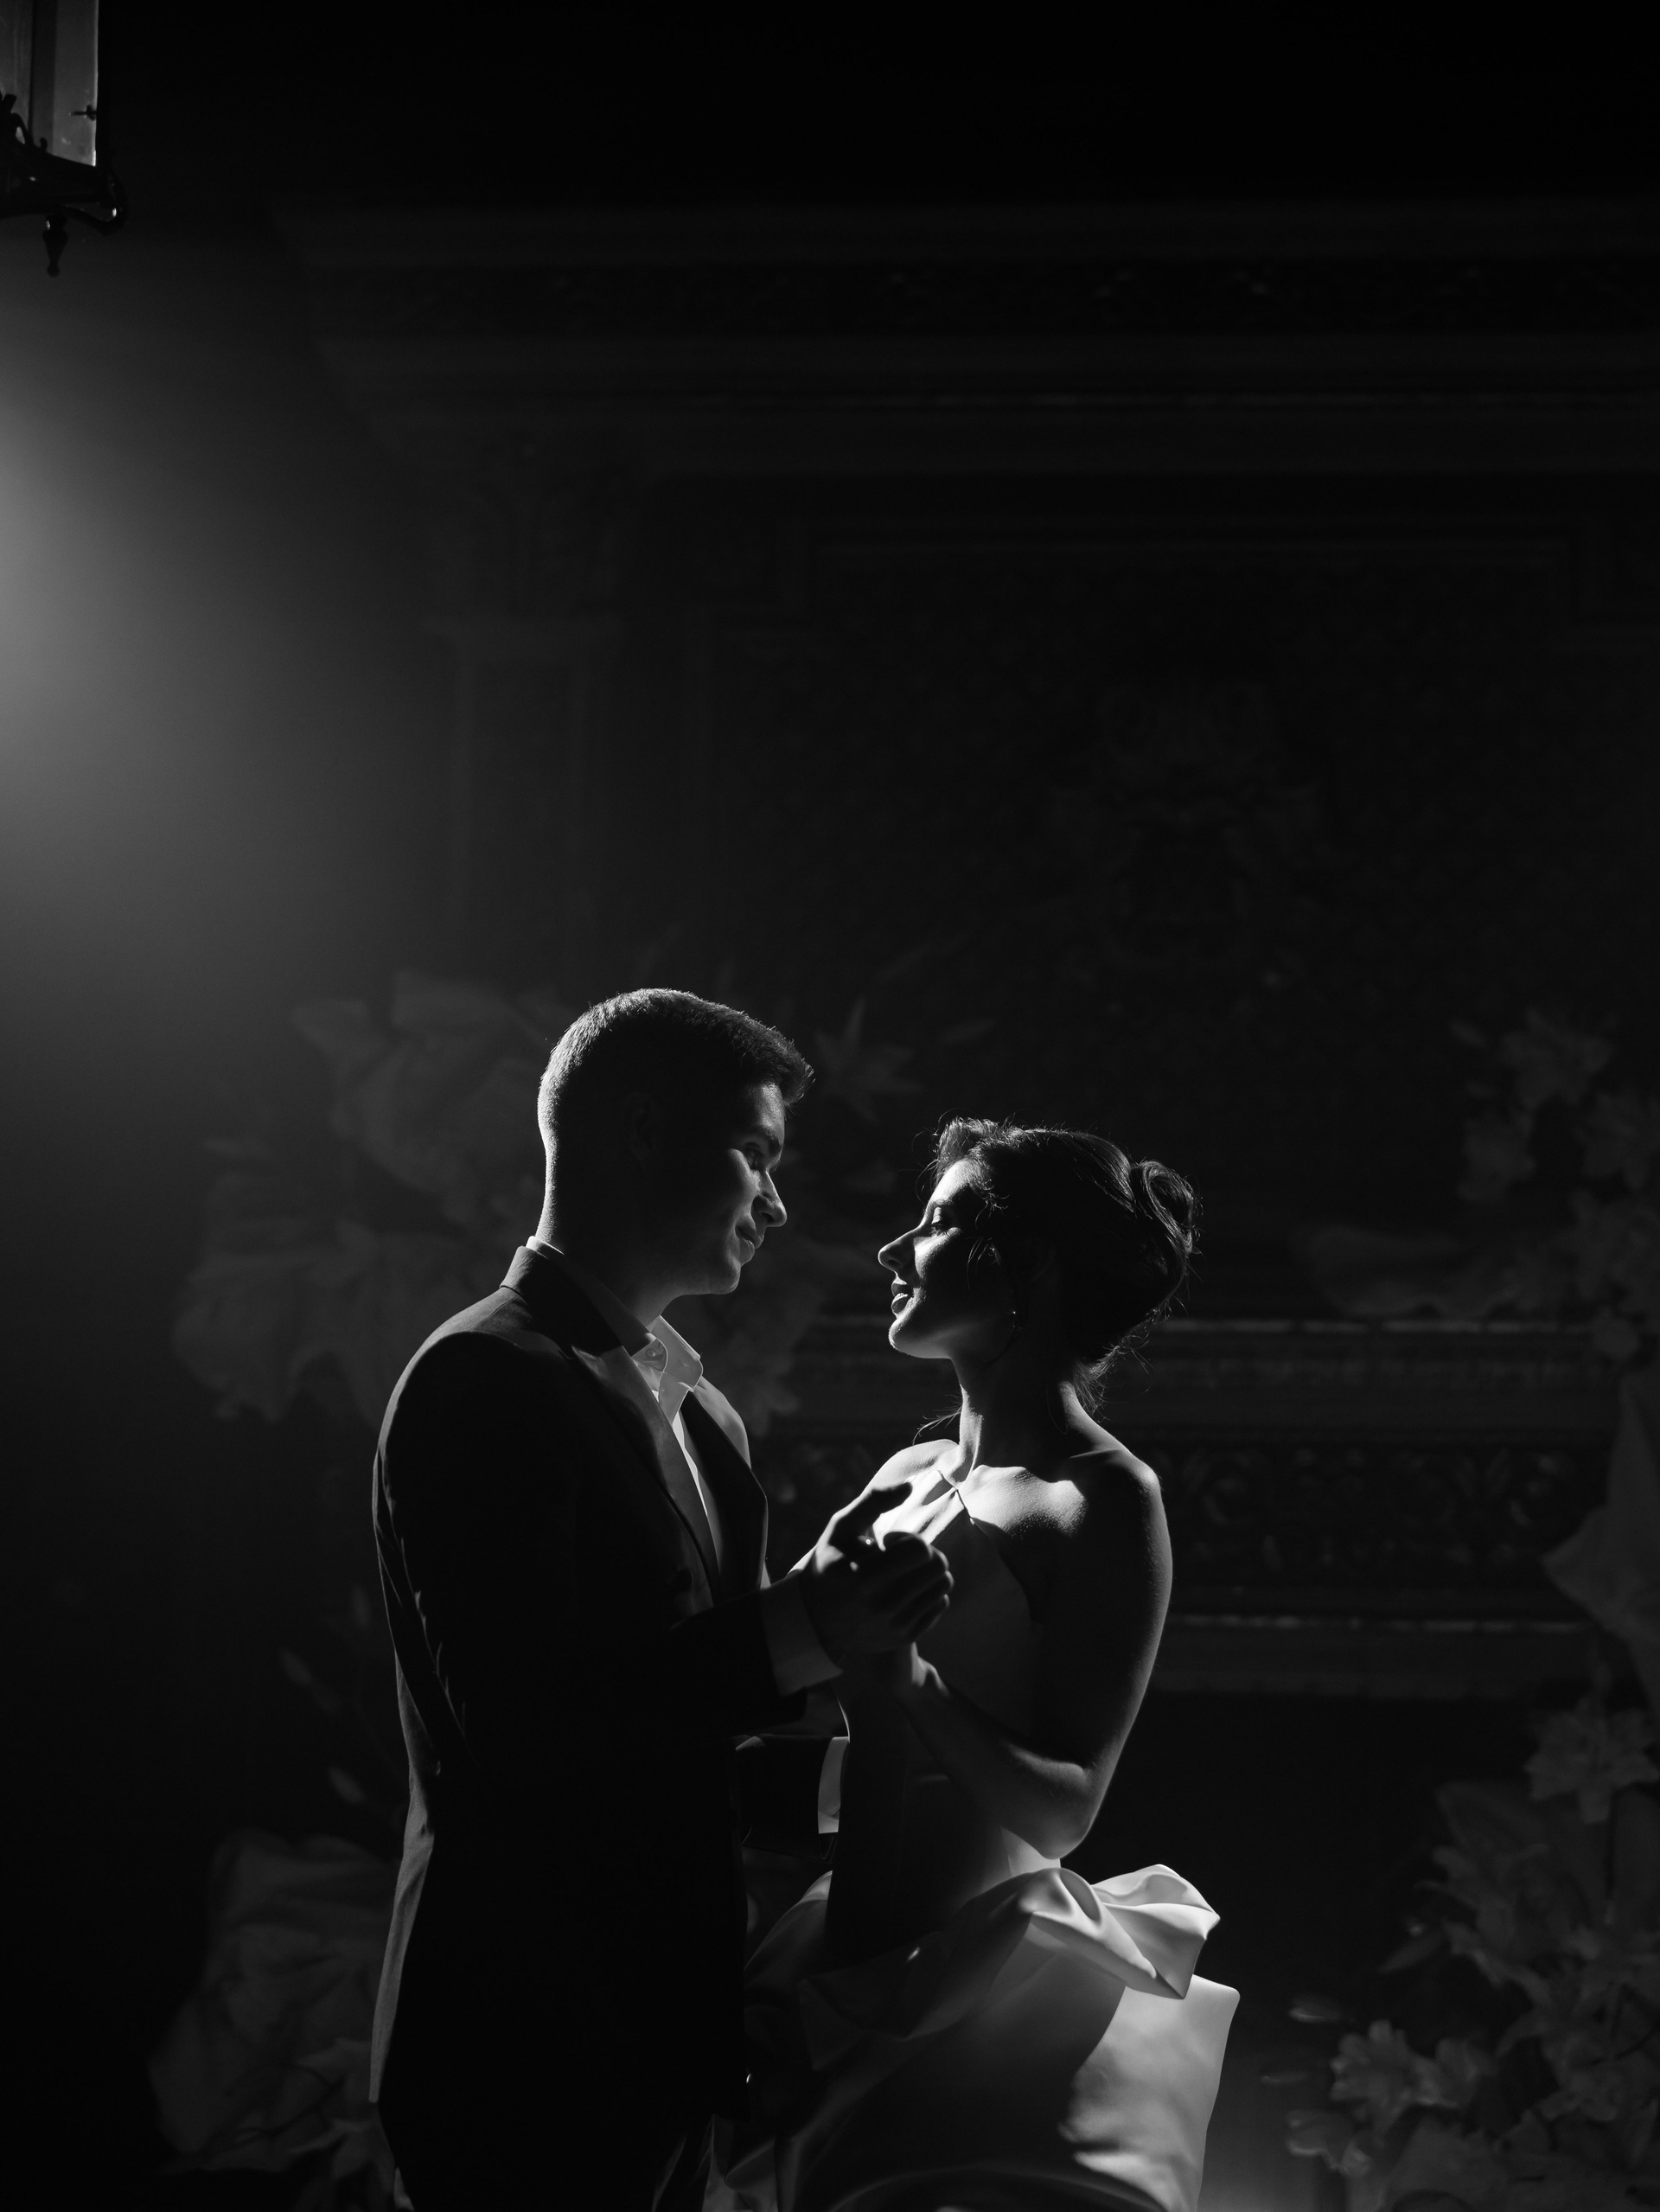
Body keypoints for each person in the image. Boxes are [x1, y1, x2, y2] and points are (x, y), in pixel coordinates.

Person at [368, 990, 954, 2209]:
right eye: (755, 1152)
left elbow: (685, 1753)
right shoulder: (482, 1374)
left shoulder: (708, 1417)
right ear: (641, 1130)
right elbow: (525, 1725)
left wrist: (900, 1787)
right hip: (515, 2041)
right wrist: (804, 1627)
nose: (777, 1202)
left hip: (673, 2038)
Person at [713, 1118, 1238, 2212]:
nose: (893, 1248)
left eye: (940, 1219)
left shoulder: (1103, 1499)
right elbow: (771, 1679)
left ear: (1026, 1264)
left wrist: (911, 1684)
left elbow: (1066, 1807)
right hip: (835, 1965)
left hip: (974, 2008)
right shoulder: (906, 1473)